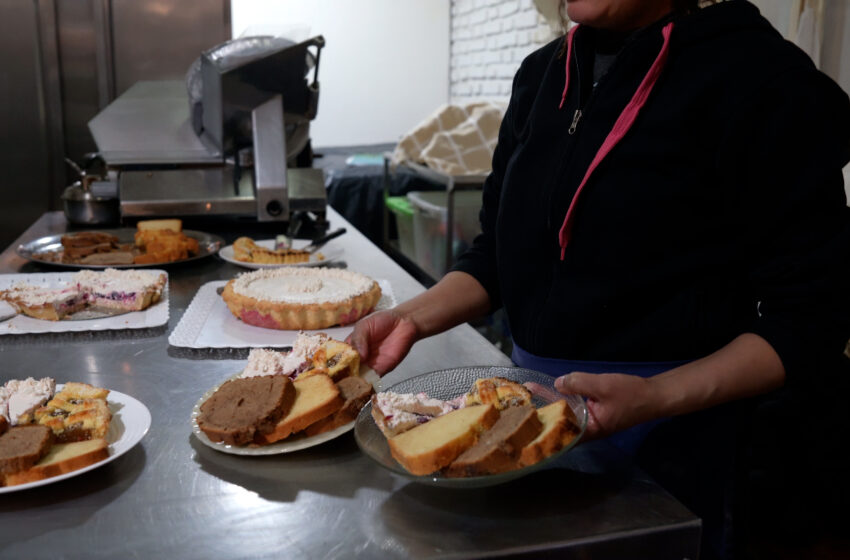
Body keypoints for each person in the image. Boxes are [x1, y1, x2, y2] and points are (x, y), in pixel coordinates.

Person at [349, 0, 850, 558]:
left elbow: (809, 320)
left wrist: (657, 396)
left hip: (675, 445)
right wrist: (409, 318)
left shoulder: (763, 80)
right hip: (532, 422)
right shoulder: (542, 74)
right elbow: (496, 257)